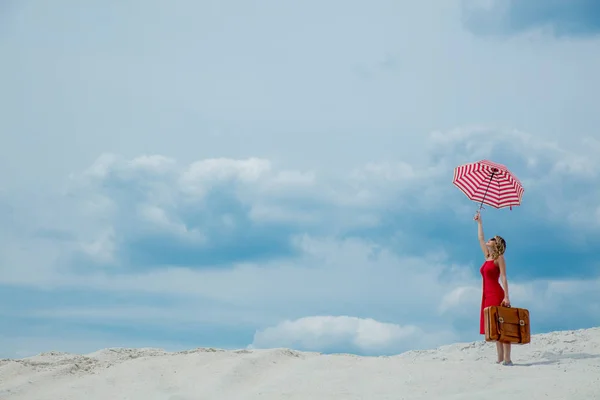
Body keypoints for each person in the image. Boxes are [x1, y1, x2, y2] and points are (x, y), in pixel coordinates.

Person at [474, 211, 512, 365]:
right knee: (494, 328)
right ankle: (500, 358)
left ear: (497, 244)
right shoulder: (487, 256)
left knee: (502, 325)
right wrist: (479, 223)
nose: (488, 240)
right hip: (486, 295)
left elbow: (503, 277)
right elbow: (480, 239)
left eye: (492, 239)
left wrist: (507, 296)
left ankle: (507, 359)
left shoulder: (499, 258)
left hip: (497, 293)